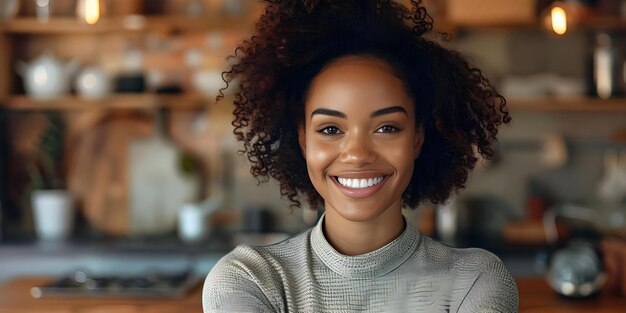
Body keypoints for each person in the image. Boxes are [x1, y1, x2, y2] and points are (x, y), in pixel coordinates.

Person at [203, 0, 519, 312]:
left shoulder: (475, 281)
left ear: (417, 138)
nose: (357, 154)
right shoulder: (249, 280)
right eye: (329, 129)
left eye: (386, 128)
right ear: (303, 140)